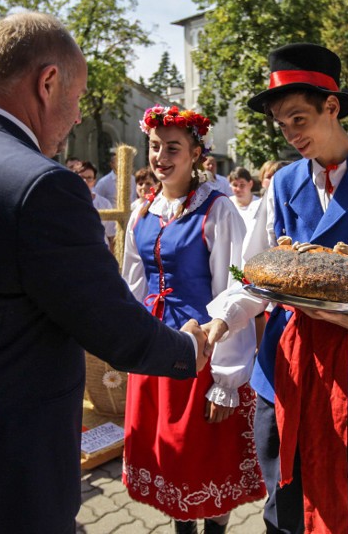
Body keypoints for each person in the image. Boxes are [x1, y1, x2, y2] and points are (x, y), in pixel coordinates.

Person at [0, 12, 210, 534]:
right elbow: (111, 326)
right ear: (48, 83)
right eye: (76, 97)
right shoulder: (39, 186)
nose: (74, 118)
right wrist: (188, 349)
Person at [204, 43, 348, 533]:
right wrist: (221, 320)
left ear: (332, 106)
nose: (290, 134)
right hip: (281, 370)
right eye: (281, 123)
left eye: (299, 119)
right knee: (281, 505)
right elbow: (253, 275)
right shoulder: (284, 184)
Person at [122, 105, 265, 534]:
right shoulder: (142, 214)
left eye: (173, 148)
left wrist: (226, 380)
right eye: (155, 147)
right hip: (153, 352)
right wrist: (123, 345)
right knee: (170, 458)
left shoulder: (218, 212)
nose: (161, 157)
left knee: (205, 458)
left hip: (202, 354)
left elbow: (238, 286)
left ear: (196, 153)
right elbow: (131, 288)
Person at [76, 160, 116, 252]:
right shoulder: (69, 201)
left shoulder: (104, 203)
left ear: (94, 181)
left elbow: (111, 235)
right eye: (81, 177)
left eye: (89, 178)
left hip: (100, 252)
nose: (85, 181)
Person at [228, 166, 261, 233]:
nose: (238, 189)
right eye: (235, 185)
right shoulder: (227, 204)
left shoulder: (260, 204)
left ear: (250, 184)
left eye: (242, 185)